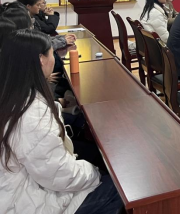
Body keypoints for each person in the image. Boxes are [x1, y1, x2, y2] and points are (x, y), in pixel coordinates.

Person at [0, 30, 123, 214]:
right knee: (121, 187)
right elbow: (59, 174)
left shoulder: (11, 94)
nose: (54, 57)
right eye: (52, 53)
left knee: (96, 154)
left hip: (23, 185)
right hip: (27, 200)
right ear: (41, 60)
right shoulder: (32, 114)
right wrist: (94, 172)